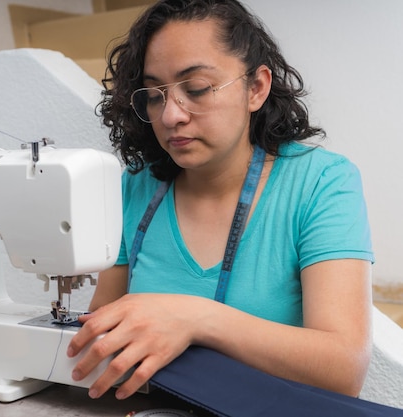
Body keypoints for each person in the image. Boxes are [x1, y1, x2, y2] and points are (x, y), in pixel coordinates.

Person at [66, 0, 374, 402]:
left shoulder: (321, 183)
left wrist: (196, 319)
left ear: (256, 88)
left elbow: (344, 368)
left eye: (196, 89)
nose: (171, 115)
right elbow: (100, 339)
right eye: (155, 96)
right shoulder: (135, 190)